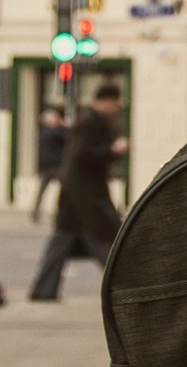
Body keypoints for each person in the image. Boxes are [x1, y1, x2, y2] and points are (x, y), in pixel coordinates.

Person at [27, 78, 124, 298]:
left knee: (64, 241)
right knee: (106, 241)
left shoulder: (90, 121)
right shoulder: (89, 122)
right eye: (116, 102)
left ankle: (43, 291)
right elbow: (84, 155)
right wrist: (112, 151)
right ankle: (122, 288)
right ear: (106, 101)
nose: (117, 107)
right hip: (86, 195)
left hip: (77, 194)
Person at [31, 99, 68, 216]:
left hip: (50, 165)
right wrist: (64, 126)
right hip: (54, 165)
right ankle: (40, 211)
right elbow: (66, 137)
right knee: (63, 189)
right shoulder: (51, 133)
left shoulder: (45, 132)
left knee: (45, 190)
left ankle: (37, 211)